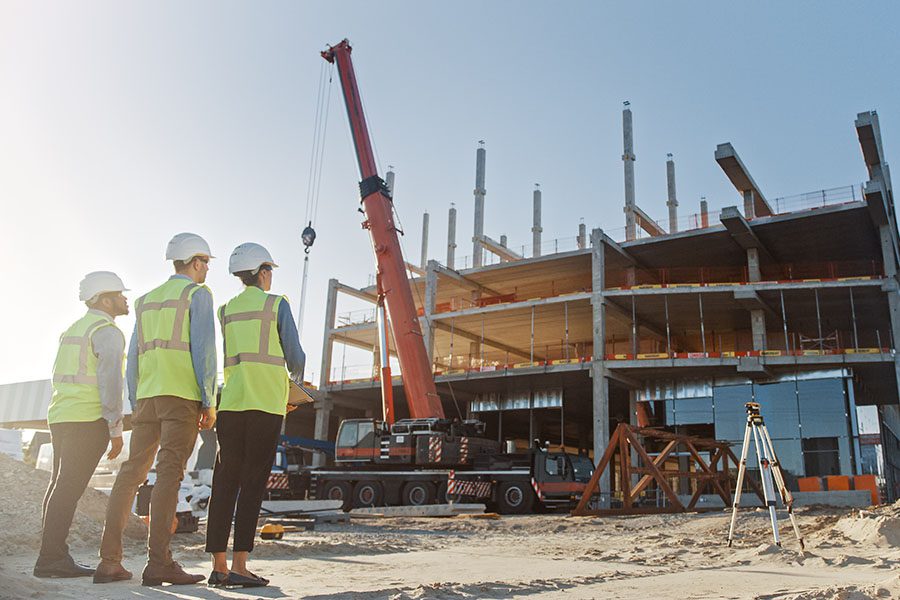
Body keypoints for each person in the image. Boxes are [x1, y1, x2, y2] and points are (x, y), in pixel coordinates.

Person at [94, 233, 217, 586]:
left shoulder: (146, 301)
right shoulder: (198, 294)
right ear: (194, 262)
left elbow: (133, 357)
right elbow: (204, 352)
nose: (207, 268)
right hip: (180, 397)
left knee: (131, 472)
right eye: (206, 261)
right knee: (169, 474)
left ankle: (108, 561)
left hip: (147, 397)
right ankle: (159, 562)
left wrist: (137, 399)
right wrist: (208, 401)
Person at [205, 243, 305, 588]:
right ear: (262, 272)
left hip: (231, 405)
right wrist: (291, 389)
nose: (271, 276)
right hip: (265, 405)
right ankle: (241, 566)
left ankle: (218, 567)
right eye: (270, 270)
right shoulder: (277, 304)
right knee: (251, 485)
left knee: (224, 484)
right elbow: (295, 358)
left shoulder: (225, 310)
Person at [34, 272, 129, 578]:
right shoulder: (107, 331)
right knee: (68, 489)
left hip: (61, 415)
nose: (125, 298)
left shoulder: (73, 329)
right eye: (119, 294)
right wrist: (116, 429)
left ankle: (51, 556)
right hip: (87, 420)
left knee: (59, 487)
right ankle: (51, 560)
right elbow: (110, 384)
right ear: (104, 299)